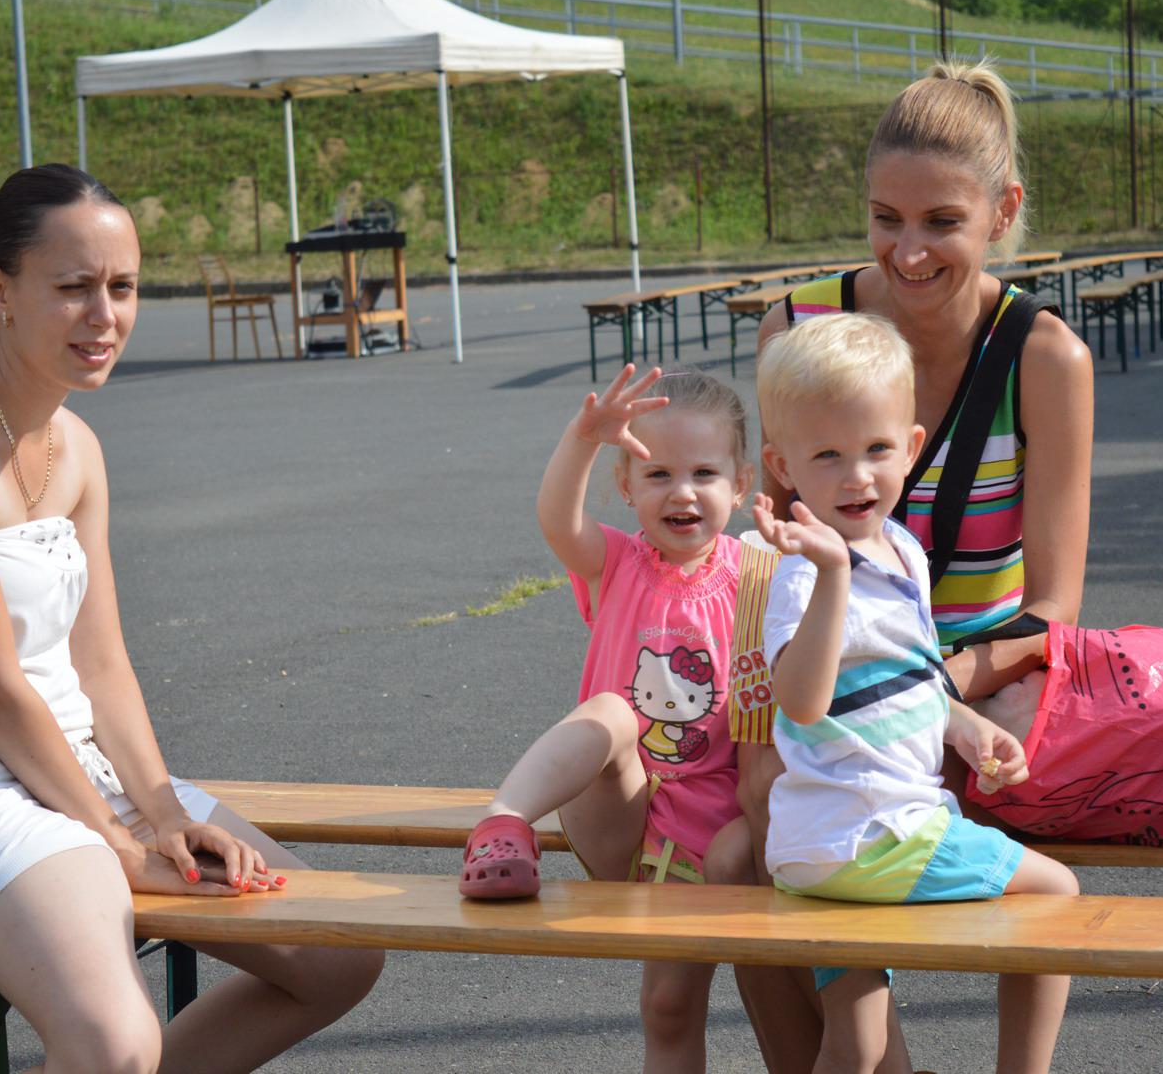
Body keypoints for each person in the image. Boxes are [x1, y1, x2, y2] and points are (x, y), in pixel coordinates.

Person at [0, 164, 381, 1074]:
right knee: (113, 1042)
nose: (105, 315)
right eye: (74, 287)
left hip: (75, 776)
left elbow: (102, 661)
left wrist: (162, 813)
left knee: (338, 959)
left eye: (123, 287)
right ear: (0, 291)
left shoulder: (76, 446)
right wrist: (120, 844)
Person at [709, 58, 1095, 1073]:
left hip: (978, 666)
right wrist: (764, 728)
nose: (908, 251)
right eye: (886, 218)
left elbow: (1054, 604)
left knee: (956, 798)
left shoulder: (1044, 355)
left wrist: (942, 698)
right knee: (739, 845)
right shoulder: (798, 324)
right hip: (814, 644)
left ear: (1003, 211)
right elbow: (767, 537)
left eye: (942, 222)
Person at [751, 312, 1078, 1074]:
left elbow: (906, 675)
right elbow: (800, 702)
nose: (856, 476)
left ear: (912, 446)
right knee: (1055, 897)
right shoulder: (803, 575)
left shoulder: (900, 547)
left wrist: (963, 725)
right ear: (782, 465)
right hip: (870, 836)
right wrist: (833, 574)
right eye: (827, 455)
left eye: (875, 449)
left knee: (860, 1044)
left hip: (830, 844)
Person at [457, 365, 752, 1074]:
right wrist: (584, 436)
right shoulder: (617, 563)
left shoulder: (759, 579)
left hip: (711, 831)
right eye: (658, 474)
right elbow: (558, 520)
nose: (682, 492)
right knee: (615, 709)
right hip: (619, 809)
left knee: (669, 1006)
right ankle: (502, 823)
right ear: (626, 486)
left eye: (704, 473)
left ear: (740, 485)